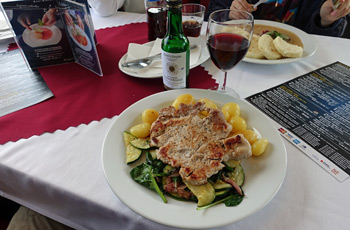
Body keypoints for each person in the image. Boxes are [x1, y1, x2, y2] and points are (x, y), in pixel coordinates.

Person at [205, 0, 350, 37]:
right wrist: (229, 14)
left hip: (294, 63)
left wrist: (326, 20)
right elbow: (210, 16)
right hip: (241, 56)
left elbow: (328, 41)